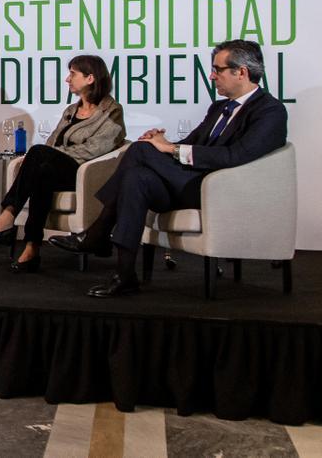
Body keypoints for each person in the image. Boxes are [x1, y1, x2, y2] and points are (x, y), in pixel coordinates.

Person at [51, 40, 288, 297]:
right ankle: (125, 275)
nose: (211, 76)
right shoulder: (219, 108)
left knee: (139, 151)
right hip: (190, 184)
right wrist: (162, 143)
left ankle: (97, 232)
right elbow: (191, 144)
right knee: (136, 177)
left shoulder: (270, 110)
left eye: (217, 70)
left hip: (221, 191)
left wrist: (168, 150)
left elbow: (236, 155)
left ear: (241, 72)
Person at [0, 55, 126, 273]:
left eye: (72, 74)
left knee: (38, 154)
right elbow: (52, 140)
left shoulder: (112, 111)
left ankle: (8, 216)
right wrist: (49, 154)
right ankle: (31, 248)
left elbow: (96, 149)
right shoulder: (71, 110)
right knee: (42, 172)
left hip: (85, 173)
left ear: (90, 78)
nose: (67, 79)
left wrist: (54, 153)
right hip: (59, 170)